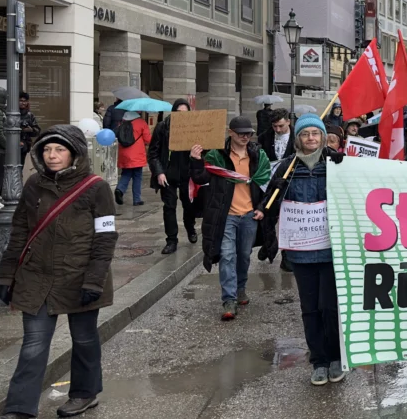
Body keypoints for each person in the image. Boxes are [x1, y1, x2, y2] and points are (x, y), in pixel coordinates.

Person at [0, 125, 117, 419]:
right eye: (47, 149)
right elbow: (21, 231)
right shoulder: (34, 184)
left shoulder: (96, 188)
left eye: (59, 149)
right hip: (37, 277)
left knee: (85, 340)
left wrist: (94, 280)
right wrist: (6, 274)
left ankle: (84, 394)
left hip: (80, 276)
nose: (52, 155)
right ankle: (20, 408)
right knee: (33, 344)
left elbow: (105, 236)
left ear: (74, 152)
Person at [255, 114, 346, 386]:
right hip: (301, 252)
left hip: (330, 249)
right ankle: (318, 360)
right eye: (305, 134)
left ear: (322, 137)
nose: (311, 139)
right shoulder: (286, 167)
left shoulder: (335, 165)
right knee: (309, 308)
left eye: (315, 134)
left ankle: (335, 357)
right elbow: (271, 197)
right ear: (298, 138)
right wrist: (262, 211)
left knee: (329, 307)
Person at [190, 116, 272, 321]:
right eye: (241, 133)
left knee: (244, 256)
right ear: (230, 133)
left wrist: (262, 208)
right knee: (227, 256)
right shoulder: (217, 156)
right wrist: (195, 160)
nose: (246, 137)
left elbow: (266, 185)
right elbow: (200, 178)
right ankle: (229, 299)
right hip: (225, 215)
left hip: (249, 215)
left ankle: (241, 288)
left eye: (249, 133)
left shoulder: (257, 156)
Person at [148, 99, 197, 255]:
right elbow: (153, 153)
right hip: (168, 175)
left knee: (189, 205)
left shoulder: (194, 128)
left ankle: (190, 228)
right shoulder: (163, 127)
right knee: (169, 207)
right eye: (178, 112)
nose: (181, 116)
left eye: (185, 112)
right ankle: (171, 240)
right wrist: (159, 172)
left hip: (187, 174)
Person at [114, 111, 151, 207]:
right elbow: (148, 139)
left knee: (126, 173)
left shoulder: (122, 122)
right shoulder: (141, 122)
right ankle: (137, 199)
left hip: (124, 154)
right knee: (137, 176)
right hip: (137, 154)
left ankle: (119, 189)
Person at [18, 92, 41, 163]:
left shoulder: (30, 115)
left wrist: (30, 130)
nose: (23, 103)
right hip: (11, 144)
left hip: (24, 145)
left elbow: (37, 131)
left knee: (20, 166)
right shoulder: (11, 113)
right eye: (21, 101)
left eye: (25, 101)